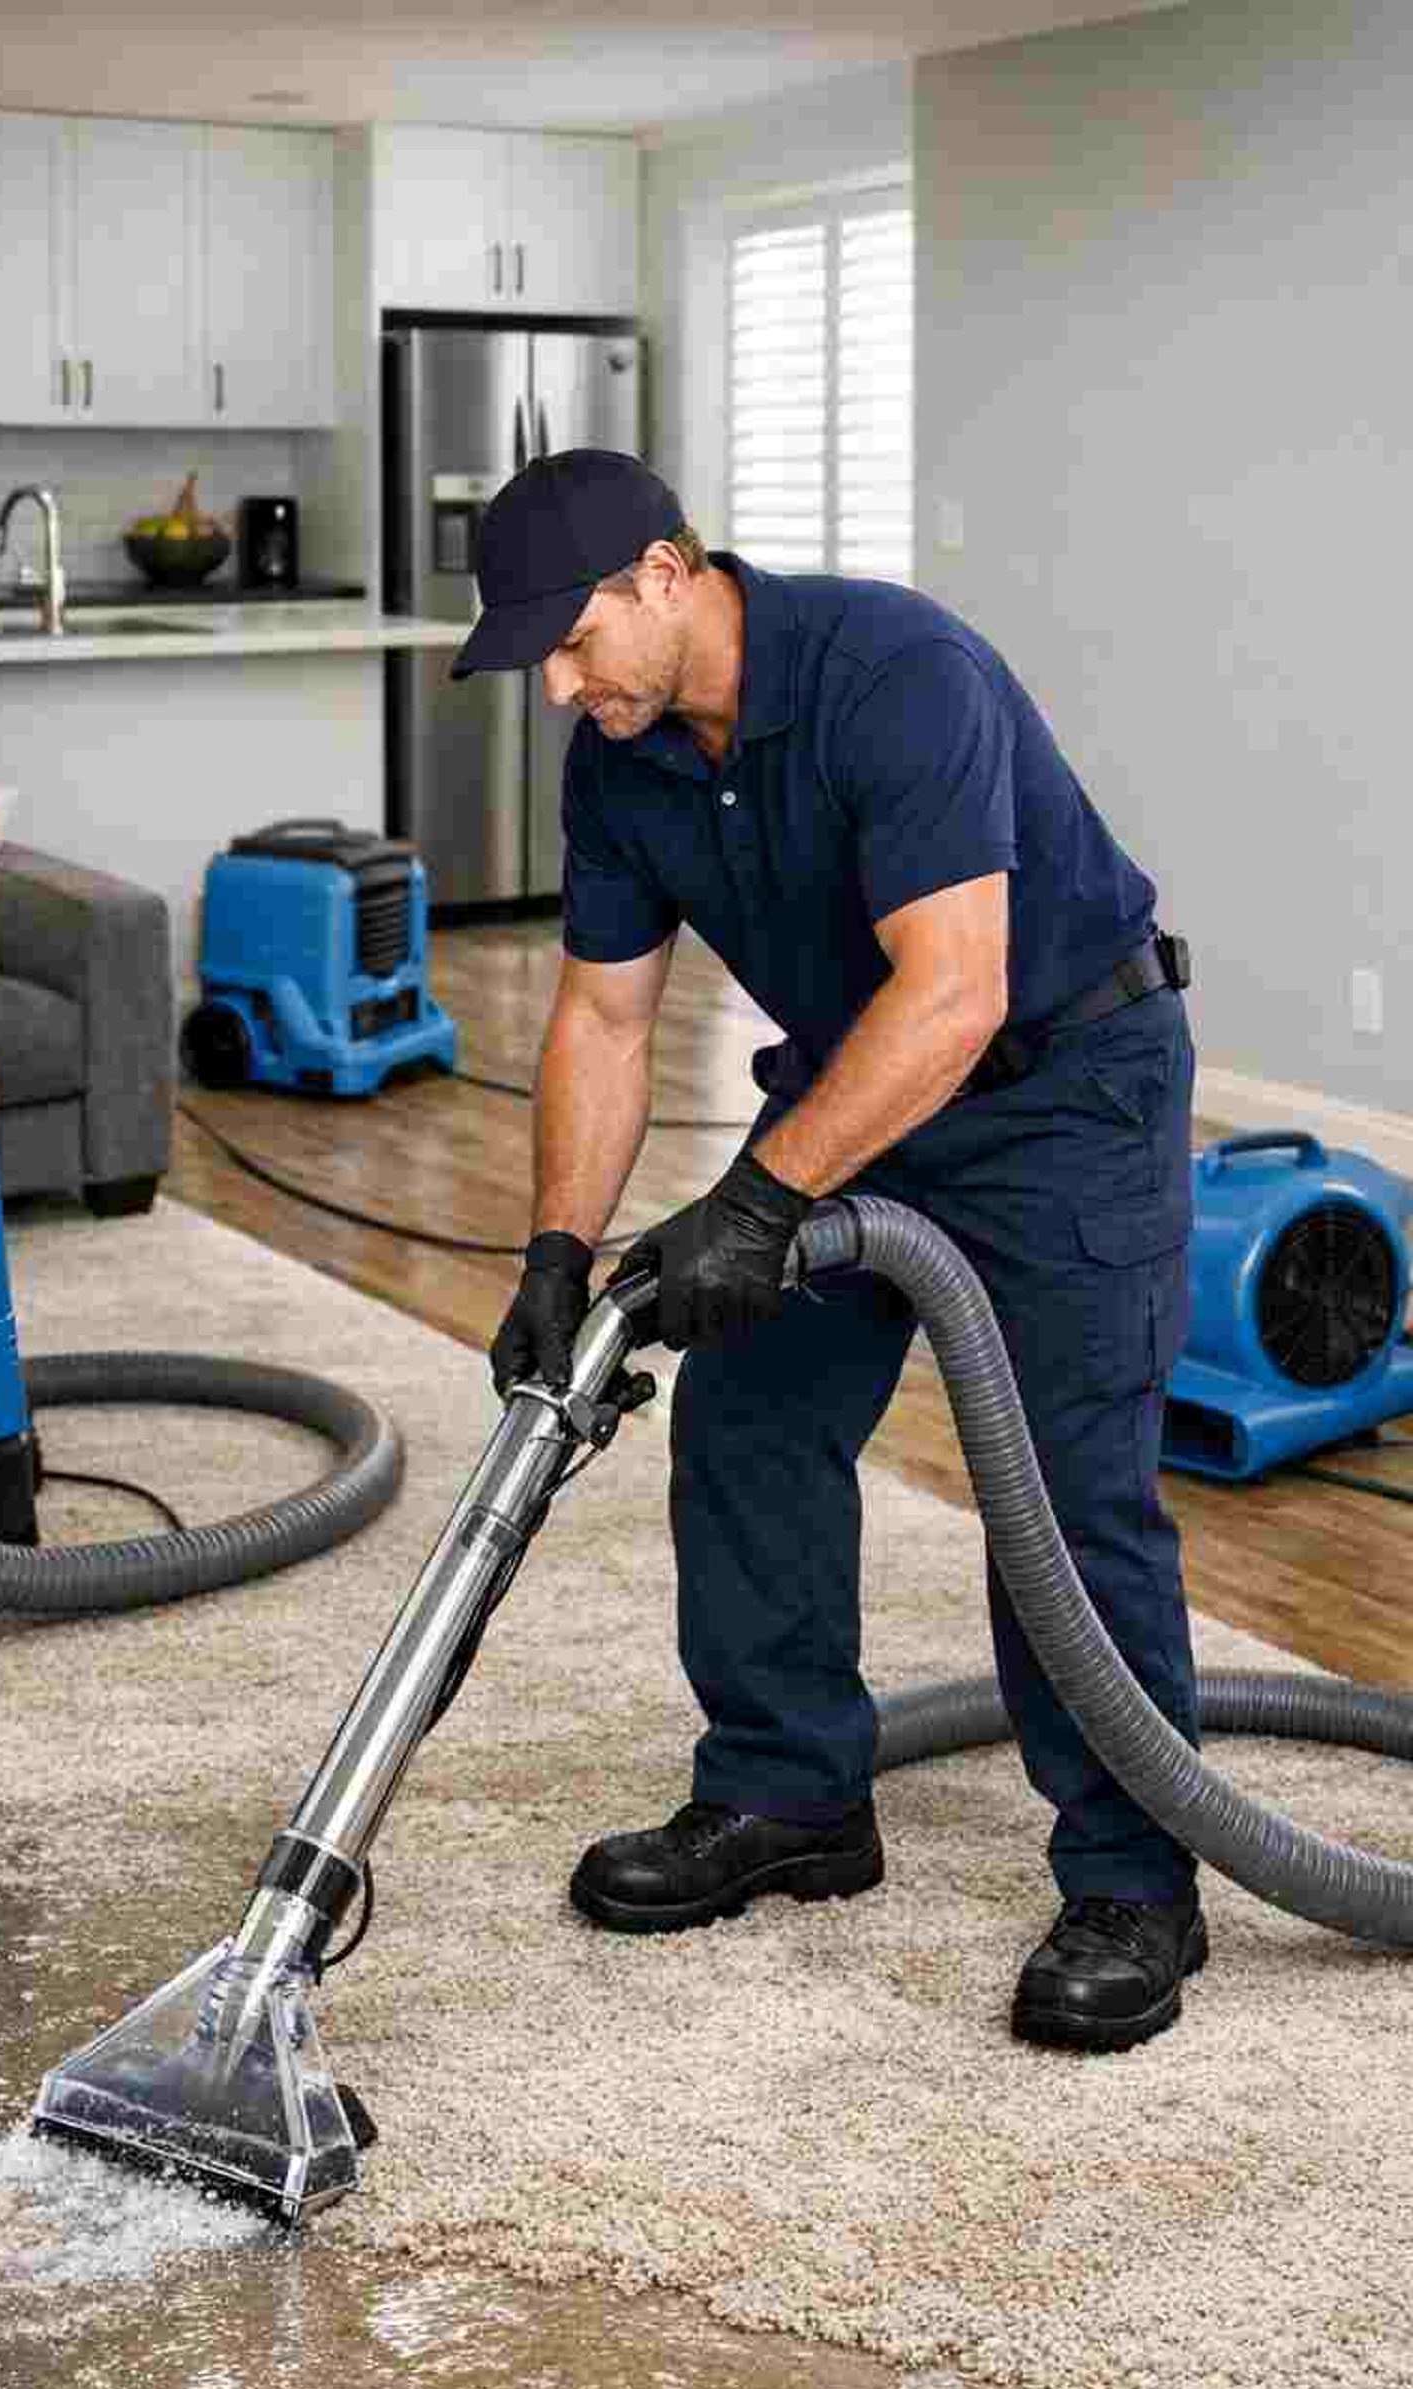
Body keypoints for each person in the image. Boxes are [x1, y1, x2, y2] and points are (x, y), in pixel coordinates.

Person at [457, 447, 1203, 2054]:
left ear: (666, 573)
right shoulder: (624, 758)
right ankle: (789, 1793)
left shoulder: (894, 672)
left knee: (1067, 1493)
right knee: (750, 1422)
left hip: (1063, 1081)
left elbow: (957, 990)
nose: (561, 688)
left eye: (573, 642)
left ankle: (1139, 1879)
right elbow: (601, 1012)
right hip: (858, 1085)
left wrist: (756, 1201)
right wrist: (554, 1250)